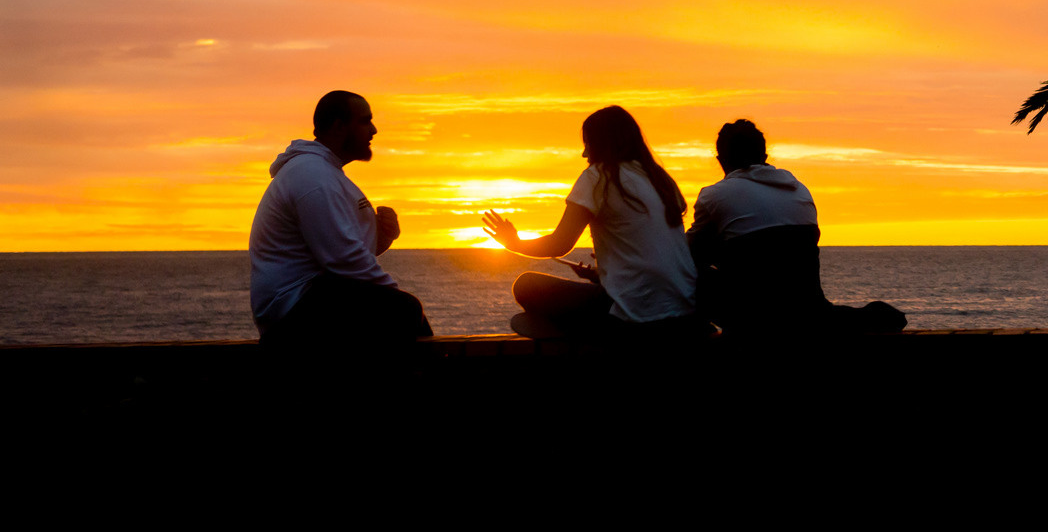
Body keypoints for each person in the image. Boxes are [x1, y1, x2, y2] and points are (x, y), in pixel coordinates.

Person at [481, 105, 705, 340]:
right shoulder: (661, 180)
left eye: (587, 143)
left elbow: (559, 244)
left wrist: (514, 243)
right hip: (685, 312)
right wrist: (600, 274)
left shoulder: (598, 177)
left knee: (526, 286)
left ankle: (579, 332)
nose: (584, 154)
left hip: (634, 318)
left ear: (601, 144)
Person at [250, 89, 432, 344]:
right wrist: (392, 294)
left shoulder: (324, 172)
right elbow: (342, 259)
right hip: (291, 314)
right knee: (404, 310)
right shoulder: (313, 176)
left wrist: (382, 237)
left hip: (309, 303)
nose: (374, 130)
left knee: (404, 310)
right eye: (365, 121)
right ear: (338, 127)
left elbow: (336, 248)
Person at [690, 119, 905, 335]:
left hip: (753, 315)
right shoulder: (800, 190)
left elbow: (688, 253)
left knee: (685, 267)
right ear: (765, 156)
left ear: (721, 160)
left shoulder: (714, 195)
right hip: (810, 311)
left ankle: (694, 331)